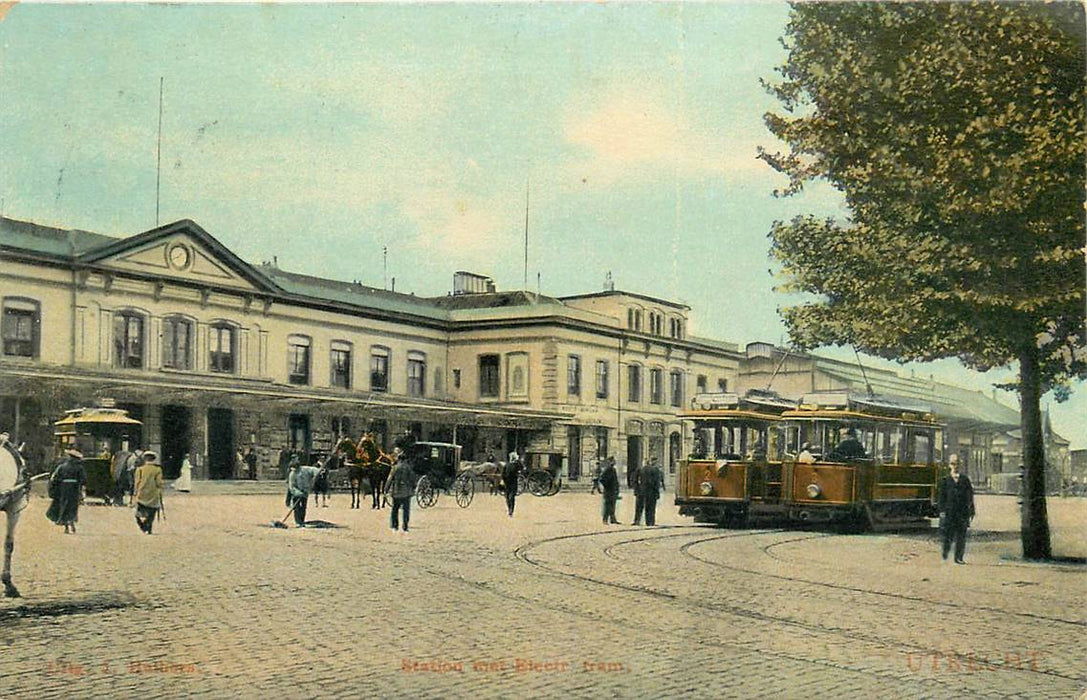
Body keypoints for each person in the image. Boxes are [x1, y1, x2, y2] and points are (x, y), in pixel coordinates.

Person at [939, 455, 975, 564]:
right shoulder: (945, 480)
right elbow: (942, 497)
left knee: (961, 536)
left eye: (958, 464)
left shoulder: (965, 480)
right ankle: (945, 554)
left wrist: (971, 510)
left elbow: (970, 496)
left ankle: (959, 557)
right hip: (950, 512)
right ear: (950, 465)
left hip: (962, 512)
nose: (956, 466)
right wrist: (942, 511)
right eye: (953, 464)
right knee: (947, 535)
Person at [46, 449, 86, 534]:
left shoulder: (62, 467)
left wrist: (55, 488)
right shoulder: (79, 468)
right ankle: (71, 523)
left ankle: (66, 526)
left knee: (64, 505)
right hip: (74, 489)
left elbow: (55, 479)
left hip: (64, 489)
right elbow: (83, 480)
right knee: (73, 506)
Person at [384, 448, 415, 532]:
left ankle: (395, 525)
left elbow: (389, 479)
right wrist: (413, 488)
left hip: (396, 491)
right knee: (406, 510)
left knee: (395, 509)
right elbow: (412, 479)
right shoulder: (408, 468)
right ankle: (405, 526)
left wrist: (385, 490)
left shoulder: (395, 468)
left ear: (398, 459)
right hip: (406, 492)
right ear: (405, 460)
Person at [133, 451, 165, 535]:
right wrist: (160, 489)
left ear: (144, 459)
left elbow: (137, 483)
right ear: (153, 459)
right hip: (153, 494)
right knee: (152, 512)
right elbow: (159, 483)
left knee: (138, 513)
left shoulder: (140, 469)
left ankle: (142, 525)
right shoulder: (157, 469)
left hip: (141, 494)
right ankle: (148, 527)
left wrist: (135, 493)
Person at [286, 456, 320, 528]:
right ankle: (298, 521)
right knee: (297, 507)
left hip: (305, 491)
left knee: (303, 507)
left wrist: (317, 473)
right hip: (296, 492)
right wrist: (298, 493)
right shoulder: (292, 474)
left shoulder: (305, 470)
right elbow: (292, 487)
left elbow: (314, 470)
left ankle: (302, 520)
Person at [639, 457, 665, 527]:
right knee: (652, 508)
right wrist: (657, 491)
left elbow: (641, 480)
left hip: (645, 491)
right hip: (652, 491)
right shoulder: (656, 470)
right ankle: (652, 522)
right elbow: (656, 482)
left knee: (647, 507)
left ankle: (647, 522)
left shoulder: (643, 469)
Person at [599, 456, 620, 525]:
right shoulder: (607, 469)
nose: (614, 462)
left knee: (612, 505)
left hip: (613, 491)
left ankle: (612, 519)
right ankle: (605, 519)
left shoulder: (613, 469)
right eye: (613, 461)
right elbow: (602, 479)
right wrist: (607, 486)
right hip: (608, 491)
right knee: (607, 505)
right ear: (610, 461)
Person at [502, 449, 522, 517]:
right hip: (507, 482)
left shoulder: (516, 465)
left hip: (513, 482)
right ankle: (509, 509)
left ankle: (511, 510)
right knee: (507, 497)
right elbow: (503, 474)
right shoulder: (507, 465)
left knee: (511, 496)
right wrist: (504, 481)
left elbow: (521, 468)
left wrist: (518, 461)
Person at [630, 461, 644, 525]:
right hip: (640, 492)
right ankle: (637, 520)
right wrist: (636, 489)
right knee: (639, 507)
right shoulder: (638, 471)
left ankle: (648, 521)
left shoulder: (647, 470)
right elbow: (633, 481)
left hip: (645, 491)